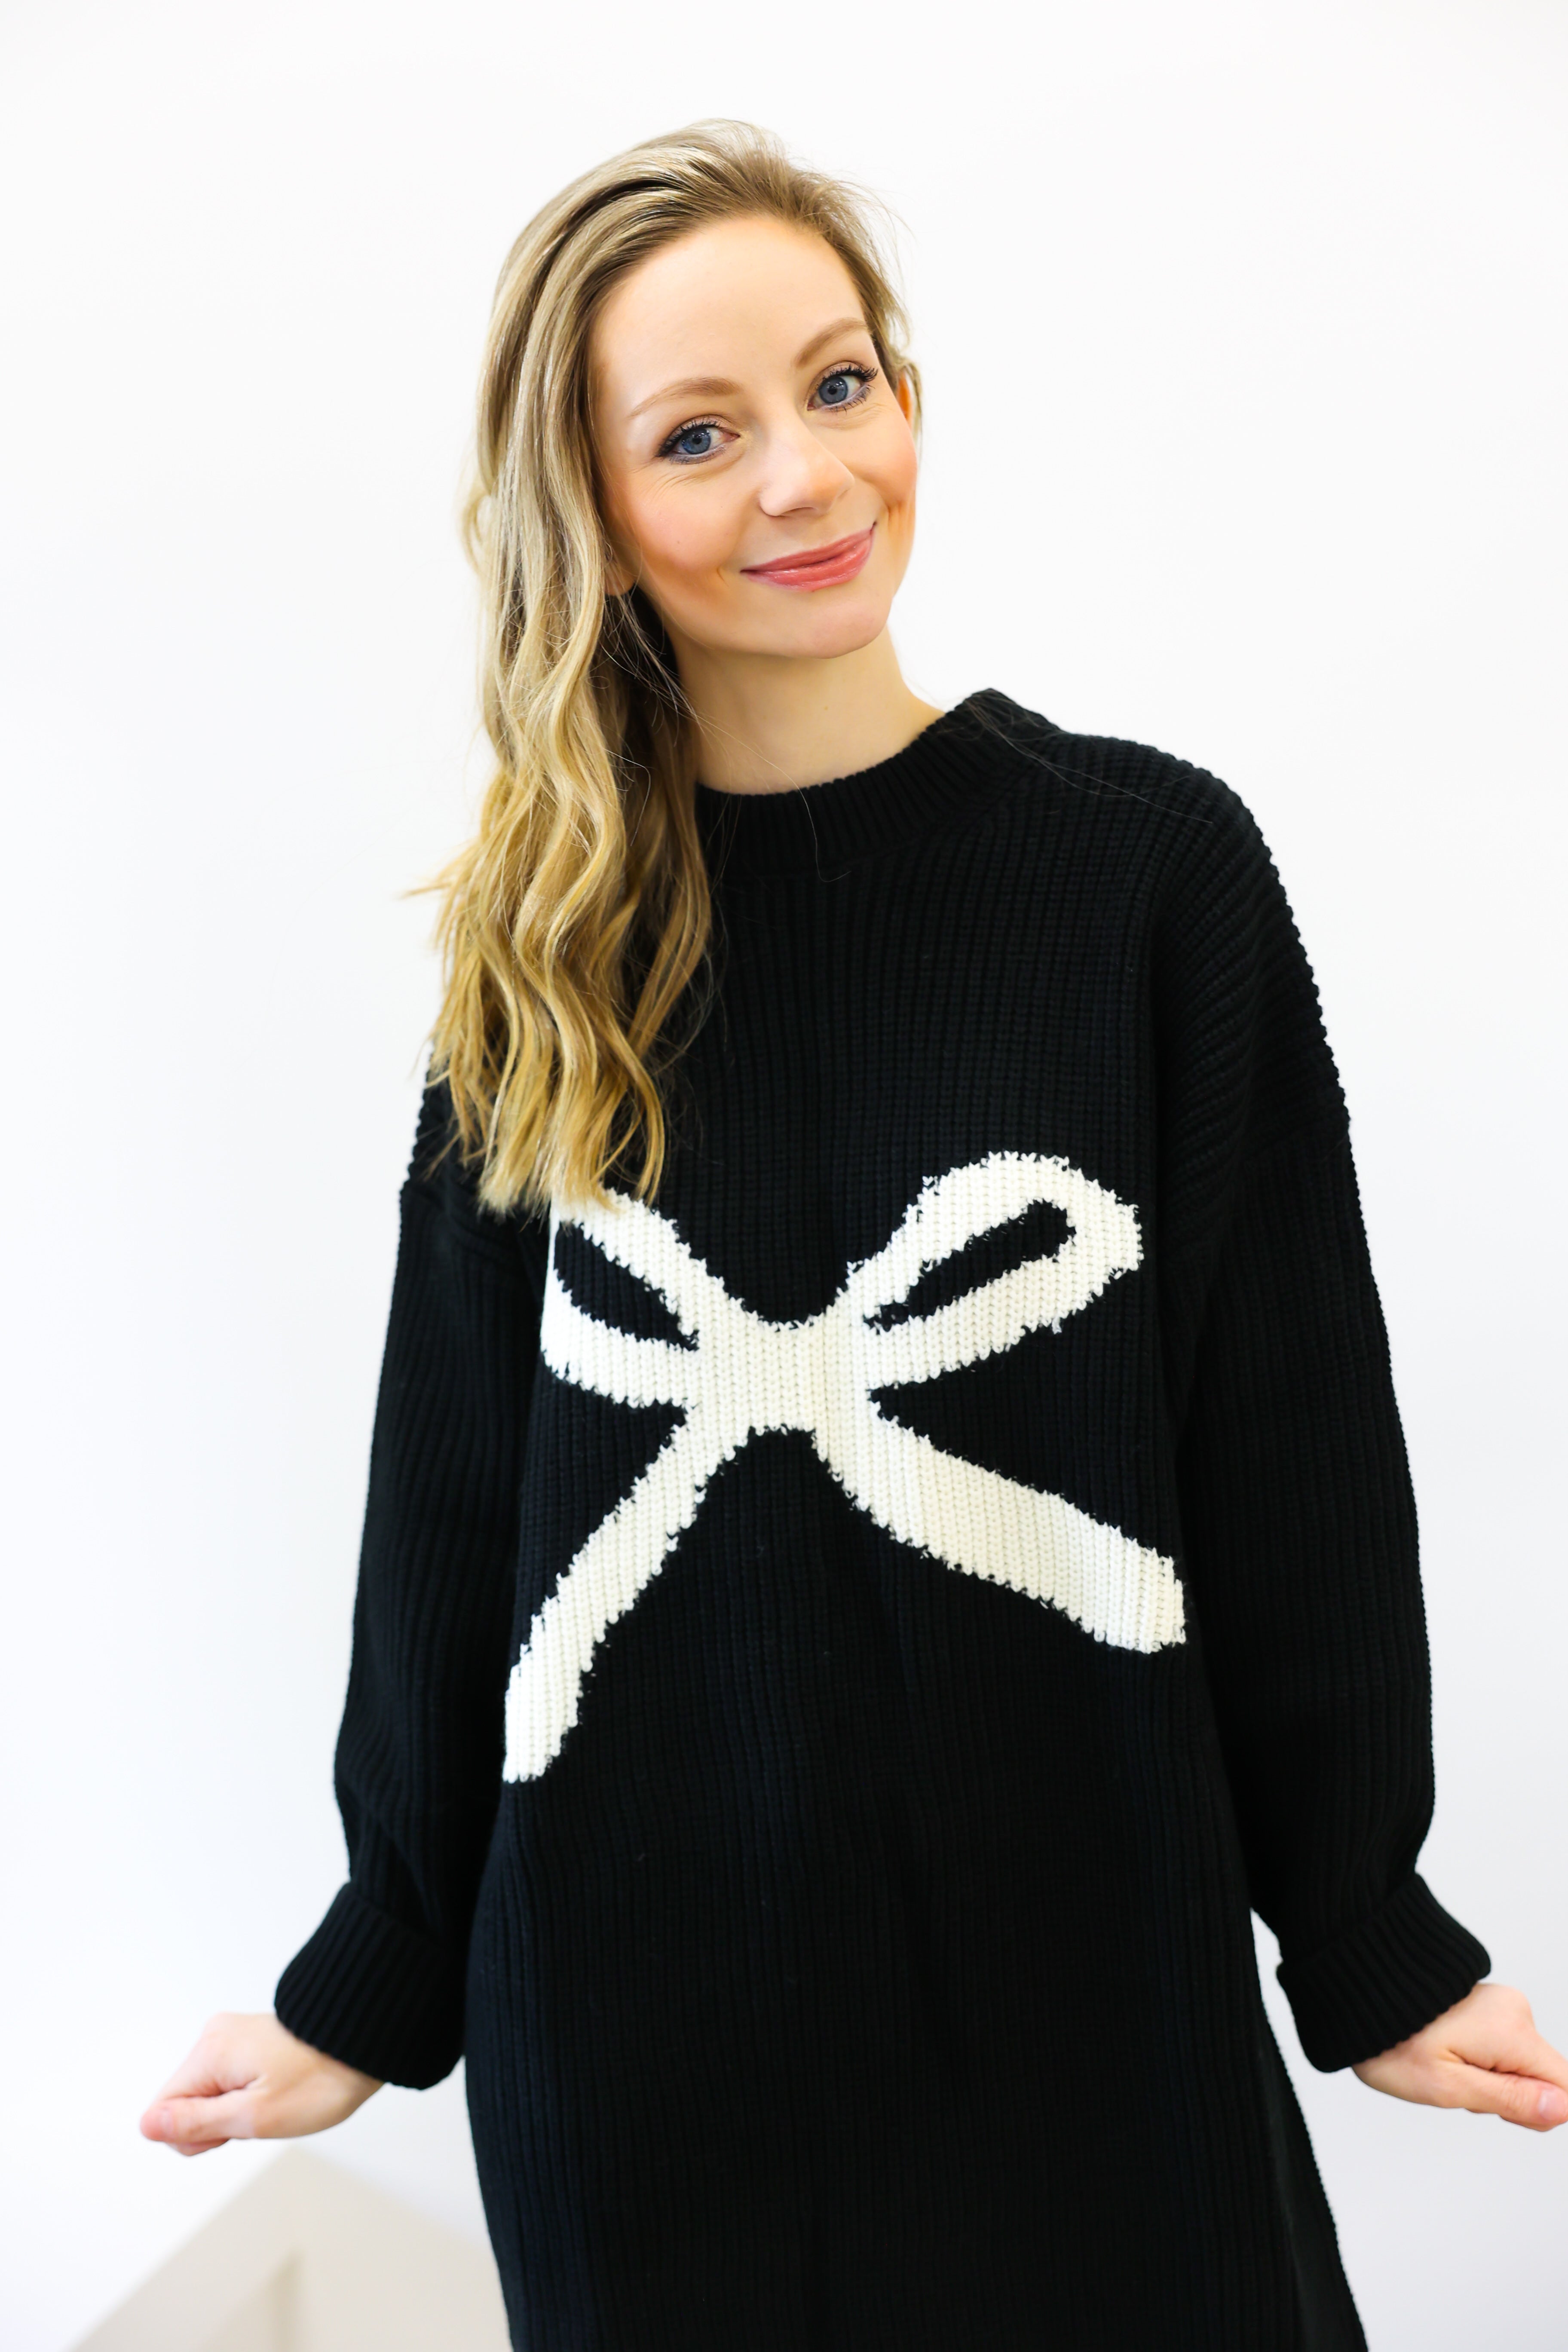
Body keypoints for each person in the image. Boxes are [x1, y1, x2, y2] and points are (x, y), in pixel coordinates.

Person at [141, 119, 1566, 2348]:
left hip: (1090, 1969)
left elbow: (1284, 1429)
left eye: (840, 382)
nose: (808, 477)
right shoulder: (546, 958)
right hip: (638, 2042)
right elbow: (450, 1491)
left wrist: (1361, 1922)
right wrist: (380, 1963)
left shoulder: (1146, 878)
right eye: (700, 434)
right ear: (594, 517)